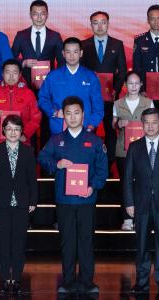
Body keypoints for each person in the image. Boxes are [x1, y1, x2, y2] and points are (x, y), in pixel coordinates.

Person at [39, 96, 109, 297]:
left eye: (76, 113)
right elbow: (42, 157)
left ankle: (87, 281)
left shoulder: (94, 141)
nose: (72, 117)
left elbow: (102, 170)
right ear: (63, 115)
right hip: (64, 200)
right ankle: (68, 281)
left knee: (86, 241)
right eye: (68, 113)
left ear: (83, 114)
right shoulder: (56, 140)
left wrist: (93, 186)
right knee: (67, 241)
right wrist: (56, 164)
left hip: (87, 199)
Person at [123, 107, 159, 295]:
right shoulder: (134, 147)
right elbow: (127, 177)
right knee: (141, 244)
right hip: (141, 202)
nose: (150, 126)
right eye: (146, 123)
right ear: (142, 125)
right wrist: (129, 202)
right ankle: (141, 282)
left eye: (154, 123)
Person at [0, 114, 38, 295]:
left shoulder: (28, 151)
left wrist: (33, 200)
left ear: (21, 131)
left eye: (16, 129)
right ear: (3, 131)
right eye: (9, 129)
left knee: (19, 243)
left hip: (22, 203)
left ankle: (16, 279)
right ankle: (4, 279)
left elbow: (32, 179)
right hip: (1, 203)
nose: (13, 132)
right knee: (2, 243)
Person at [81, 10, 129, 159]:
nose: (100, 26)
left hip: (110, 97)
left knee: (110, 129)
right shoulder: (84, 45)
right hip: (90, 97)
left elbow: (122, 71)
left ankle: (110, 161)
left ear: (108, 24)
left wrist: (116, 90)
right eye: (96, 23)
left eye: (103, 22)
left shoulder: (117, 44)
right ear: (91, 25)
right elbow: (81, 70)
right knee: (90, 129)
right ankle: (89, 158)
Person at [112, 72, 153, 231]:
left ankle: (140, 217)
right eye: (130, 83)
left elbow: (153, 124)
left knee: (142, 183)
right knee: (126, 183)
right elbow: (113, 124)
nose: (134, 86)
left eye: (137, 83)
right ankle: (127, 218)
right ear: (125, 85)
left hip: (144, 150)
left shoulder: (148, 102)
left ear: (141, 84)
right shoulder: (118, 103)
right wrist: (119, 124)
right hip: (123, 150)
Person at [37, 38, 104, 135]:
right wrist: (54, 112)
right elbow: (42, 98)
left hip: (85, 129)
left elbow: (98, 105)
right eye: (68, 52)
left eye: (75, 52)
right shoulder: (53, 76)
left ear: (81, 53)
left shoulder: (91, 77)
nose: (72, 56)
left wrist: (91, 125)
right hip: (58, 128)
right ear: (63, 53)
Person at [0, 60, 41, 146]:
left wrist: (25, 134)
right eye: (7, 72)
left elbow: (36, 117)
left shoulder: (29, 94)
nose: (11, 76)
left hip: (22, 142)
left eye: (15, 72)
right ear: (2, 74)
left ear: (20, 75)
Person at [12, 0, 65, 80]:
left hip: (49, 81)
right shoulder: (21, 35)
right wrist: (23, 63)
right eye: (35, 14)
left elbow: (62, 61)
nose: (39, 17)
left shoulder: (55, 36)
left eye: (42, 14)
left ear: (47, 15)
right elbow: (11, 57)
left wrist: (57, 79)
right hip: (26, 82)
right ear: (30, 15)